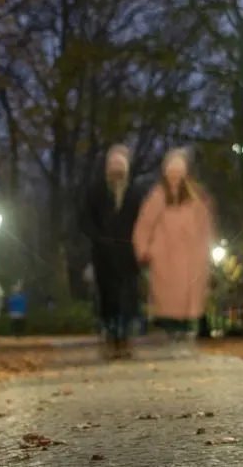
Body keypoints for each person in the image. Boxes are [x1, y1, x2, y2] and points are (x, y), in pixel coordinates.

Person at [133, 147, 214, 350]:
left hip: (190, 255)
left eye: (179, 168)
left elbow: (205, 226)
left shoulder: (196, 196)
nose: (175, 173)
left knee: (187, 294)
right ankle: (170, 330)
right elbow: (145, 224)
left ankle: (185, 330)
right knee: (168, 295)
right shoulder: (158, 195)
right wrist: (144, 248)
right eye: (171, 168)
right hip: (165, 255)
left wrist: (204, 250)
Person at [80, 144, 141, 360]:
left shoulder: (135, 193)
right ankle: (111, 336)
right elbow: (85, 220)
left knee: (127, 299)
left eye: (121, 164)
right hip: (104, 255)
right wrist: (99, 239)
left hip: (128, 255)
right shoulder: (96, 191)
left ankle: (124, 338)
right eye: (113, 163)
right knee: (108, 299)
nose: (117, 168)